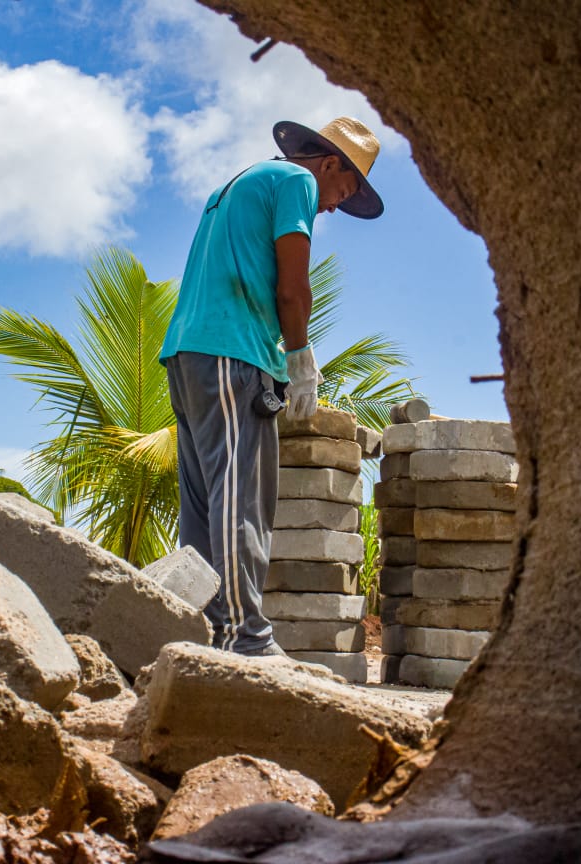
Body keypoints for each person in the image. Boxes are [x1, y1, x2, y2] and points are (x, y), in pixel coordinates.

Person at [159, 116, 384, 656]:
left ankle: (205, 634)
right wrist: (301, 356)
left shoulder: (237, 183)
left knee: (204, 508)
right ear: (329, 165)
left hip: (186, 355)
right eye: (343, 190)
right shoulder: (298, 183)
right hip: (232, 354)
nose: (332, 205)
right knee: (242, 501)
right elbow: (292, 285)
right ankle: (246, 638)